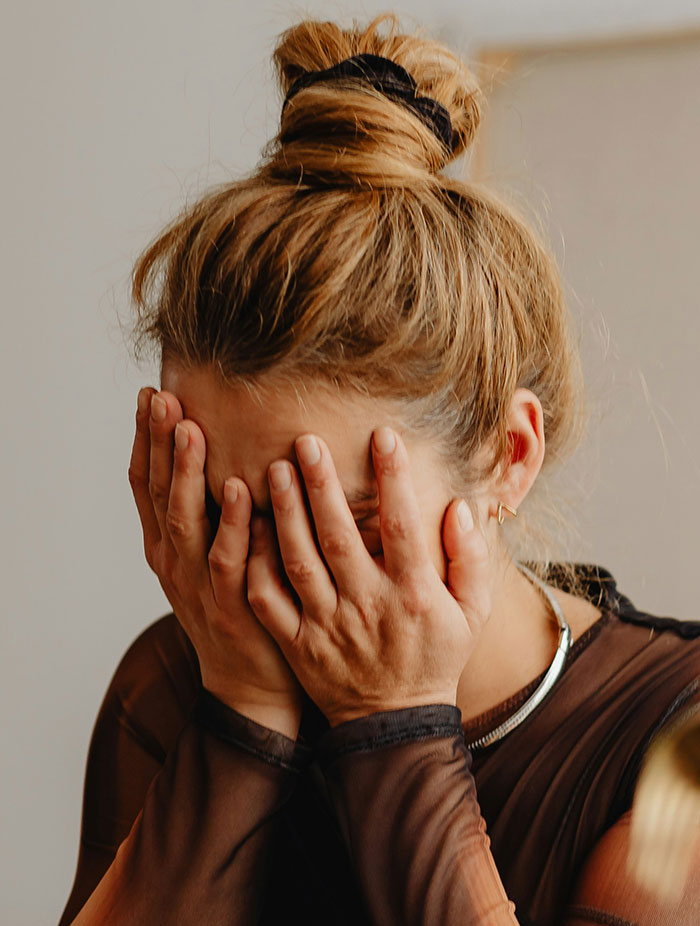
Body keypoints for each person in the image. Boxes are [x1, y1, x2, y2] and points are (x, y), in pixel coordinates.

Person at [58, 12, 700, 925]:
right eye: (216, 517)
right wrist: (237, 714)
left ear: (508, 457)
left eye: (342, 526)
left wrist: (392, 726)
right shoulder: (181, 680)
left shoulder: (682, 756)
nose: (269, 583)